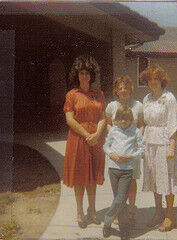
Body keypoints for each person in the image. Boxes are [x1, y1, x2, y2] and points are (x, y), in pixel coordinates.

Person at [63, 55, 106, 229]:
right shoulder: (72, 95)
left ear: (91, 75)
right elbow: (69, 119)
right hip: (78, 141)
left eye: (87, 72)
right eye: (81, 72)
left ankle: (92, 210)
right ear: (77, 74)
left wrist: (96, 134)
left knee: (93, 177)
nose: (84, 76)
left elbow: (103, 116)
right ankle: (80, 211)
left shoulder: (99, 94)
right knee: (80, 177)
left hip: (96, 141)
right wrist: (87, 135)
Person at [140, 64, 177, 232]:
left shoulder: (169, 98)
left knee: (167, 179)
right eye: (150, 79)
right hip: (150, 143)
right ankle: (158, 213)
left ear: (161, 80)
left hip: (165, 143)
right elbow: (143, 122)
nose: (153, 82)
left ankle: (170, 216)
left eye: (156, 78)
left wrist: (171, 147)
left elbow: (173, 123)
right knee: (154, 179)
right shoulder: (147, 99)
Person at [105, 76, 143, 225]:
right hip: (117, 151)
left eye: (126, 87)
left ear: (131, 89)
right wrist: (115, 137)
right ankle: (119, 211)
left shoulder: (138, 106)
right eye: (120, 88)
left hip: (131, 151)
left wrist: (137, 140)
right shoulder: (111, 106)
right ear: (116, 91)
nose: (123, 90)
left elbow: (141, 125)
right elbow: (108, 125)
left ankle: (131, 212)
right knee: (117, 182)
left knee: (132, 180)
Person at [103, 106, 145, 239]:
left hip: (127, 170)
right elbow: (106, 146)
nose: (123, 122)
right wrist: (112, 155)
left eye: (126, 120)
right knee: (119, 201)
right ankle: (124, 229)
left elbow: (141, 150)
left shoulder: (136, 132)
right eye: (120, 119)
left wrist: (130, 157)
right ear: (116, 120)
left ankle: (107, 222)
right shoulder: (114, 131)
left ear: (131, 120)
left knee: (121, 199)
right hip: (114, 168)